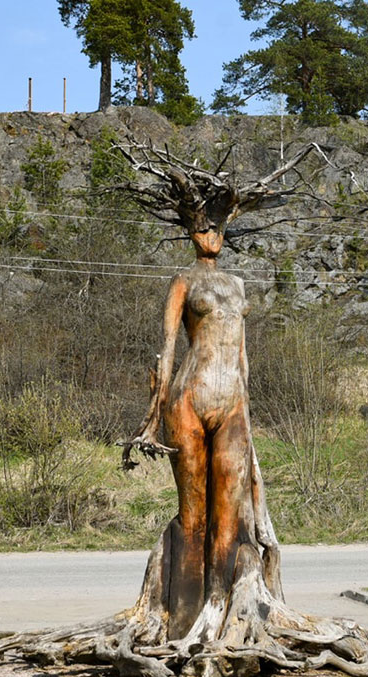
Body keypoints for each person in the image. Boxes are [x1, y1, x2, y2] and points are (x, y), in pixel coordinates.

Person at [124, 230, 259, 639]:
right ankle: (182, 622)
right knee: (194, 516)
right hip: (188, 399)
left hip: (233, 400)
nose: (211, 235)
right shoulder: (183, 281)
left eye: (217, 226)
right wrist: (151, 416)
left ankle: (221, 614)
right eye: (202, 226)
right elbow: (167, 349)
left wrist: (248, 408)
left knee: (231, 517)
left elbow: (242, 356)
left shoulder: (237, 284)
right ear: (190, 232)